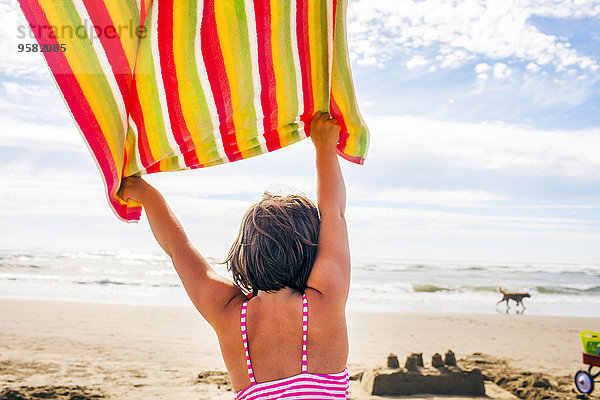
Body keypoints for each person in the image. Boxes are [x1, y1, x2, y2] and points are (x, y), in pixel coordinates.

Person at [119, 111, 350, 399]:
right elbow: (334, 214)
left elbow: (179, 249)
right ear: (313, 250)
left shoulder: (230, 314)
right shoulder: (322, 304)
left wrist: (146, 195)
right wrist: (325, 148)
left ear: (245, 253)